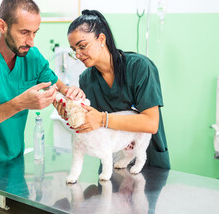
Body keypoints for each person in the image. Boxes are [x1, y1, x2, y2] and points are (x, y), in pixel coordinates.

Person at [0, 0, 84, 214]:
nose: (31, 41)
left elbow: (55, 84)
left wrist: (68, 97)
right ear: (2, 25)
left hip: (15, 164)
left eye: (35, 33)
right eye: (24, 32)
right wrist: (19, 104)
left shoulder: (30, 56)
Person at [55, 9, 170, 169]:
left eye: (82, 46)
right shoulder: (87, 79)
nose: (78, 54)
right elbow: (92, 125)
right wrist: (72, 112)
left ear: (101, 39)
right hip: (112, 159)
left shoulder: (140, 67)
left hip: (145, 158)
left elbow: (150, 123)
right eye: (74, 50)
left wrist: (103, 119)